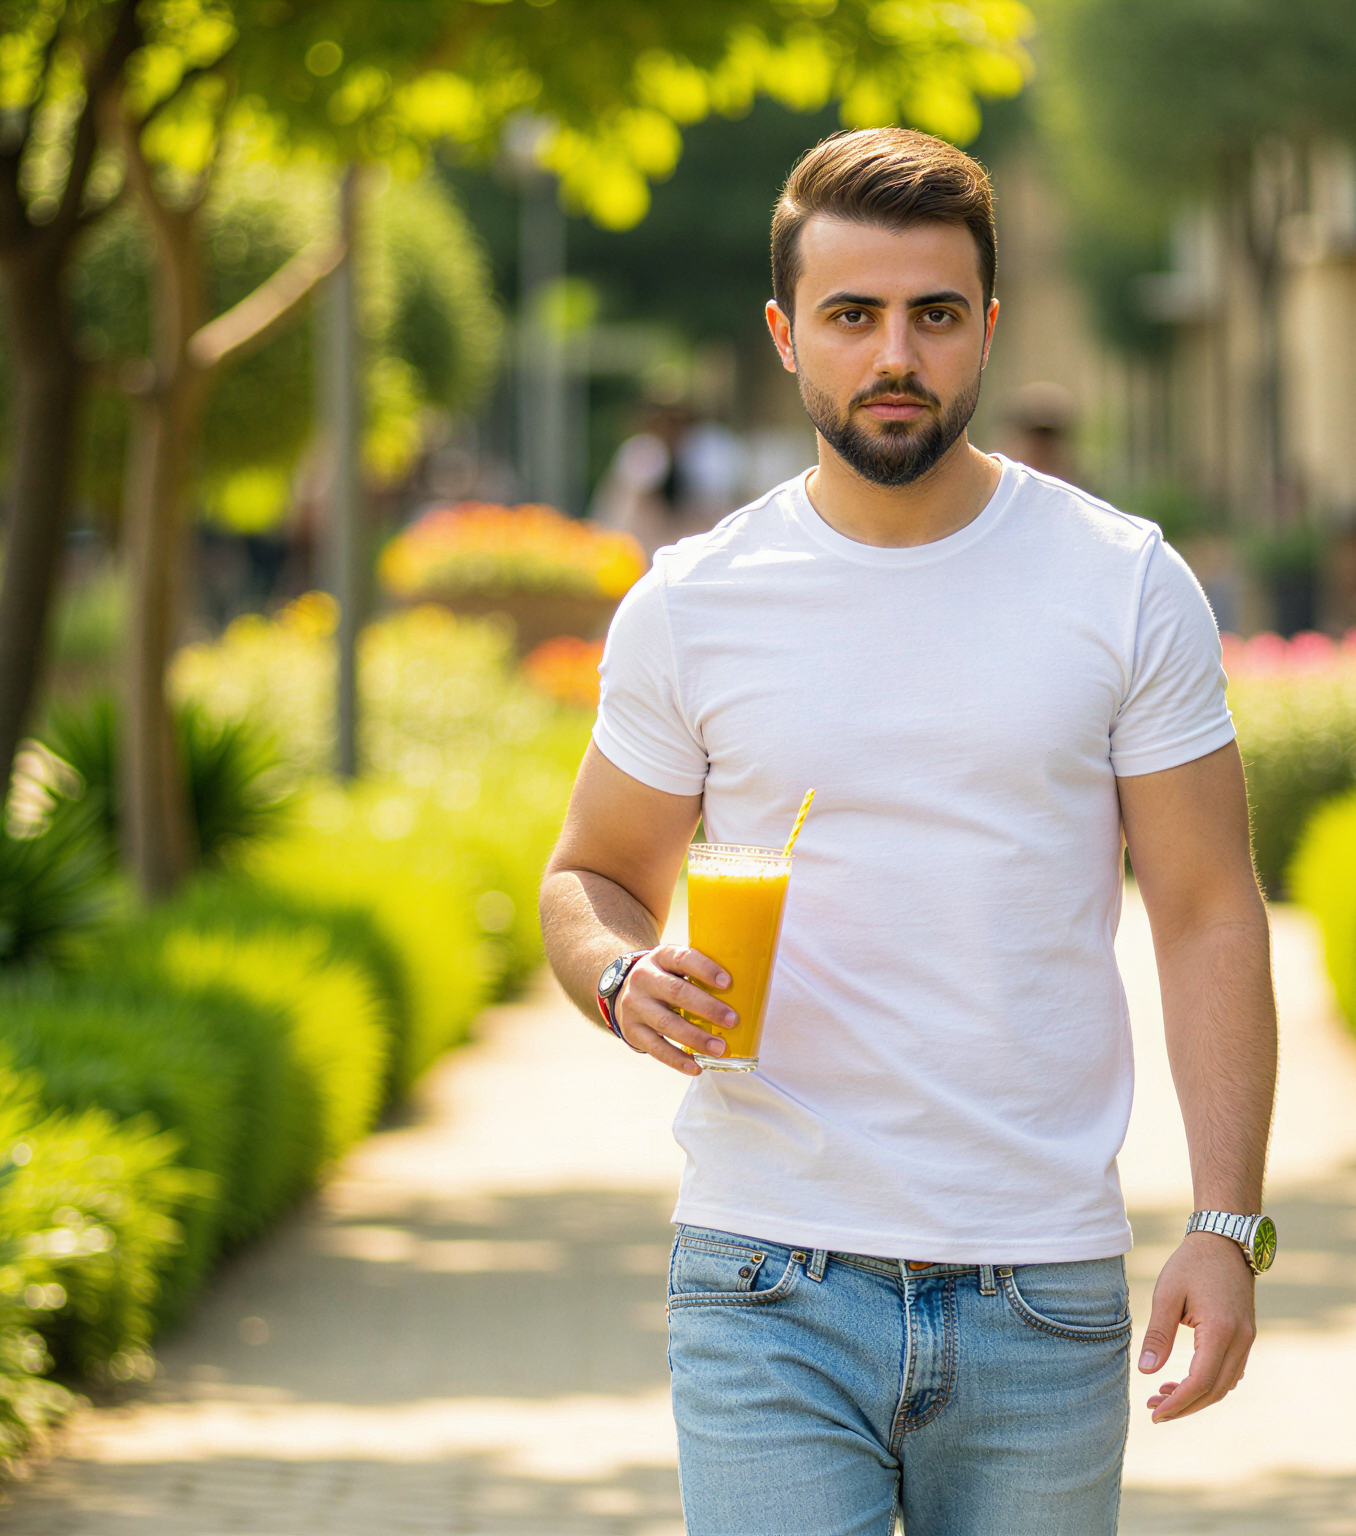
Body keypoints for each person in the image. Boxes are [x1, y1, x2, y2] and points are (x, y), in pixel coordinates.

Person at [540, 127, 1278, 1536]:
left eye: (935, 315)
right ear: (785, 334)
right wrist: (624, 980)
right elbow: (589, 876)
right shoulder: (695, 601)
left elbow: (1206, 910)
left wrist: (1226, 1221)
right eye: (852, 316)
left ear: (987, 327)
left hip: (1042, 1290)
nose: (896, 354)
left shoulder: (1123, 582)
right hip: (766, 1280)